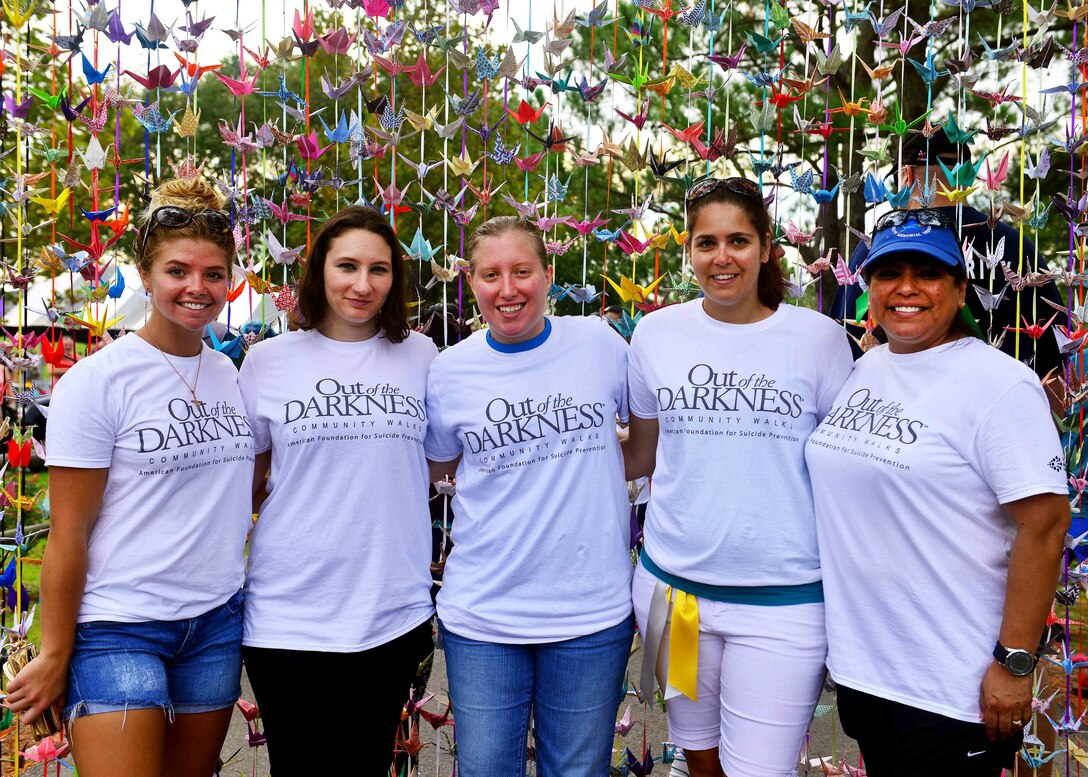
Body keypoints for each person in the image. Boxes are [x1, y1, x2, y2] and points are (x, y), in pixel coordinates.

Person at [806, 209, 1070, 775]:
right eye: (887, 273)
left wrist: (1016, 663)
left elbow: (1045, 526)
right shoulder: (867, 367)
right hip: (866, 672)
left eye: (926, 273)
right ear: (868, 288)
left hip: (953, 686)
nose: (906, 289)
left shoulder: (999, 384)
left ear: (960, 288)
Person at [4, 177, 254, 776]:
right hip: (120, 627)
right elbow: (68, 532)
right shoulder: (97, 383)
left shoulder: (232, 375)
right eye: (178, 271)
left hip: (215, 624)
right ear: (145, 273)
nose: (197, 288)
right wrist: (57, 652)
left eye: (214, 274)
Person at [623, 177, 854, 777]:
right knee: (697, 757)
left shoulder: (821, 340)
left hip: (785, 606)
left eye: (738, 240)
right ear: (688, 251)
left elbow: (846, 471)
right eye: (706, 243)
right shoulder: (655, 334)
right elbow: (641, 456)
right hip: (672, 599)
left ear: (768, 246)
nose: (721, 257)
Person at [425, 215, 633, 776]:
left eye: (522, 271)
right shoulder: (450, 371)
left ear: (547, 275)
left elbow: (646, 437)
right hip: (484, 616)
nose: (508, 289)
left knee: (578, 771)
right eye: (491, 274)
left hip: (591, 613)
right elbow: (438, 467)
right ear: (470, 280)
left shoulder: (598, 344)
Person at [238, 206, 436, 773]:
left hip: (389, 609)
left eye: (379, 269)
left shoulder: (422, 358)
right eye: (346, 265)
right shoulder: (267, 361)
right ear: (319, 271)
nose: (362, 283)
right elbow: (245, 485)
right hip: (288, 612)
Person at [829, 131, 1064, 382]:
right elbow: (1053, 362)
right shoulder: (1017, 245)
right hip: (1000, 402)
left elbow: (844, 338)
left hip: (891, 407)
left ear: (907, 176)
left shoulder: (877, 246)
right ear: (966, 176)